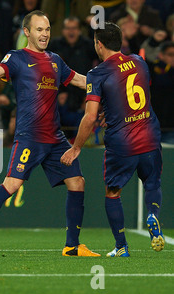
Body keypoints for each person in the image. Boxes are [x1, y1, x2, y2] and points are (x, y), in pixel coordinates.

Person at [0, 10, 100, 257]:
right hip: (29, 136)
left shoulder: (56, 60)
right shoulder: (16, 57)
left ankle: (72, 245)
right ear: (27, 32)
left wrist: (102, 81)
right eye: (39, 29)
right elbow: (0, 71)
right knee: (12, 184)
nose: (44, 34)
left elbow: (78, 80)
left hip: (55, 138)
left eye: (47, 29)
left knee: (77, 182)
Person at [61, 22, 164, 257]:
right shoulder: (139, 61)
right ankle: (153, 215)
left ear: (99, 44)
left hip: (122, 142)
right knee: (152, 183)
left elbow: (90, 117)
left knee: (113, 192)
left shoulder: (98, 73)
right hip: (149, 134)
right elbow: (135, 95)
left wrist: (76, 147)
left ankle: (121, 246)